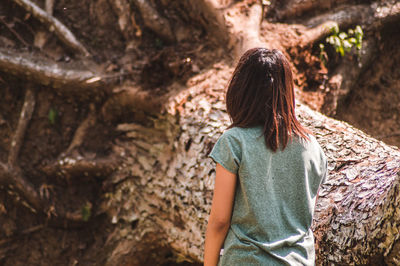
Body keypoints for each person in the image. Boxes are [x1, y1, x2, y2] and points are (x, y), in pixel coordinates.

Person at [203, 48, 327, 266]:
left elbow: (220, 221)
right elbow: (302, 216)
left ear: (240, 90)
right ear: (288, 92)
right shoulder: (312, 148)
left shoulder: (234, 142)